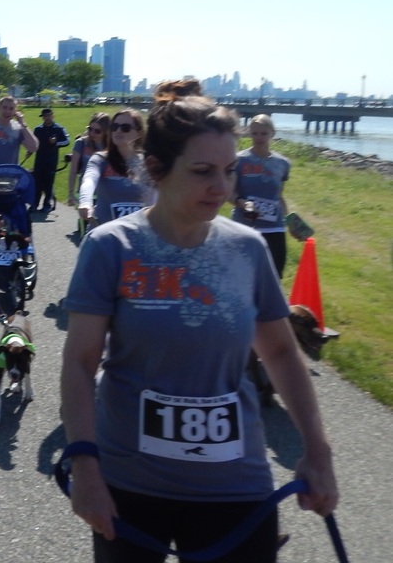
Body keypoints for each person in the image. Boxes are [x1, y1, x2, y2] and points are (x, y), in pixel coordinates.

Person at [60, 79, 338, 563]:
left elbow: (279, 352)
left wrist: (318, 450)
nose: (222, 188)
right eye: (203, 171)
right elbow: (80, 363)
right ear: (157, 169)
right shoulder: (111, 247)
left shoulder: (247, 249)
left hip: (235, 484)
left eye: (229, 171)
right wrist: (84, 466)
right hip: (130, 484)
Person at [231, 114, 291, 278]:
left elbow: (278, 196)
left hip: (274, 228)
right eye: (255, 133)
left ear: (272, 134)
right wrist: (243, 203)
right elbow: (229, 193)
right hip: (245, 226)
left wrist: (291, 222)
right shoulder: (239, 160)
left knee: (274, 277)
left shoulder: (282, 163)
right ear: (249, 133)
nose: (259, 137)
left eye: (264, 133)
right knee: (243, 276)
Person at [77, 109, 153, 228]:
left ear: (138, 133)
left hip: (137, 233)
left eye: (125, 128)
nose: (118, 131)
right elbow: (89, 179)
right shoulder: (100, 159)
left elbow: (155, 197)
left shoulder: (147, 163)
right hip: (104, 232)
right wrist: (85, 201)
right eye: (114, 126)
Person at [66, 113, 111, 208]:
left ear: (106, 132)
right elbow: (73, 171)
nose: (92, 133)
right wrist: (70, 192)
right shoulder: (81, 143)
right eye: (90, 129)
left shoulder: (112, 146)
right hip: (85, 194)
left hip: (106, 195)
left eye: (97, 131)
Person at [32, 107, 69, 211]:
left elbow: (67, 141)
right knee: (37, 183)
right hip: (39, 160)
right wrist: (30, 150)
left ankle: (47, 205)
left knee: (48, 183)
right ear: (42, 117)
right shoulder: (38, 129)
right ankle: (34, 204)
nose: (47, 118)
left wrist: (56, 143)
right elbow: (34, 142)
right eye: (45, 116)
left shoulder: (59, 129)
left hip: (51, 160)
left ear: (53, 116)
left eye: (49, 116)